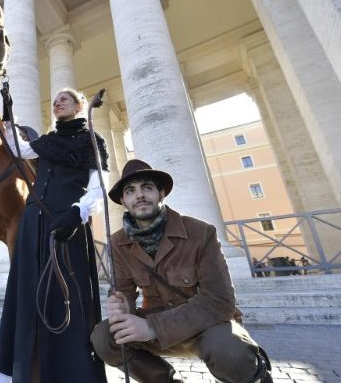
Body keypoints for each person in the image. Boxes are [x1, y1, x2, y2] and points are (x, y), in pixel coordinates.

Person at [91, 159, 273, 383]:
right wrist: (122, 306)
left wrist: (152, 327)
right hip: (155, 325)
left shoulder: (200, 232)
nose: (139, 196)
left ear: (161, 193)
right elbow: (125, 293)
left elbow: (220, 301)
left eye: (147, 188)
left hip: (207, 325)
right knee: (104, 336)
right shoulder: (118, 243)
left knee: (230, 352)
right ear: (123, 200)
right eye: (130, 191)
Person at [0, 88, 108, 382]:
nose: (57, 103)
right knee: (26, 294)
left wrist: (77, 213)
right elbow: (17, 148)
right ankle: (22, 369)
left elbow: (99, 185)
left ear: (80, 105)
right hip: (33, 225)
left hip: (68, 225)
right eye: (54, 101)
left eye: (64, 99)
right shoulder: (48, 141)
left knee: (67, 296)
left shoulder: (92, 139)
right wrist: (8, 111)